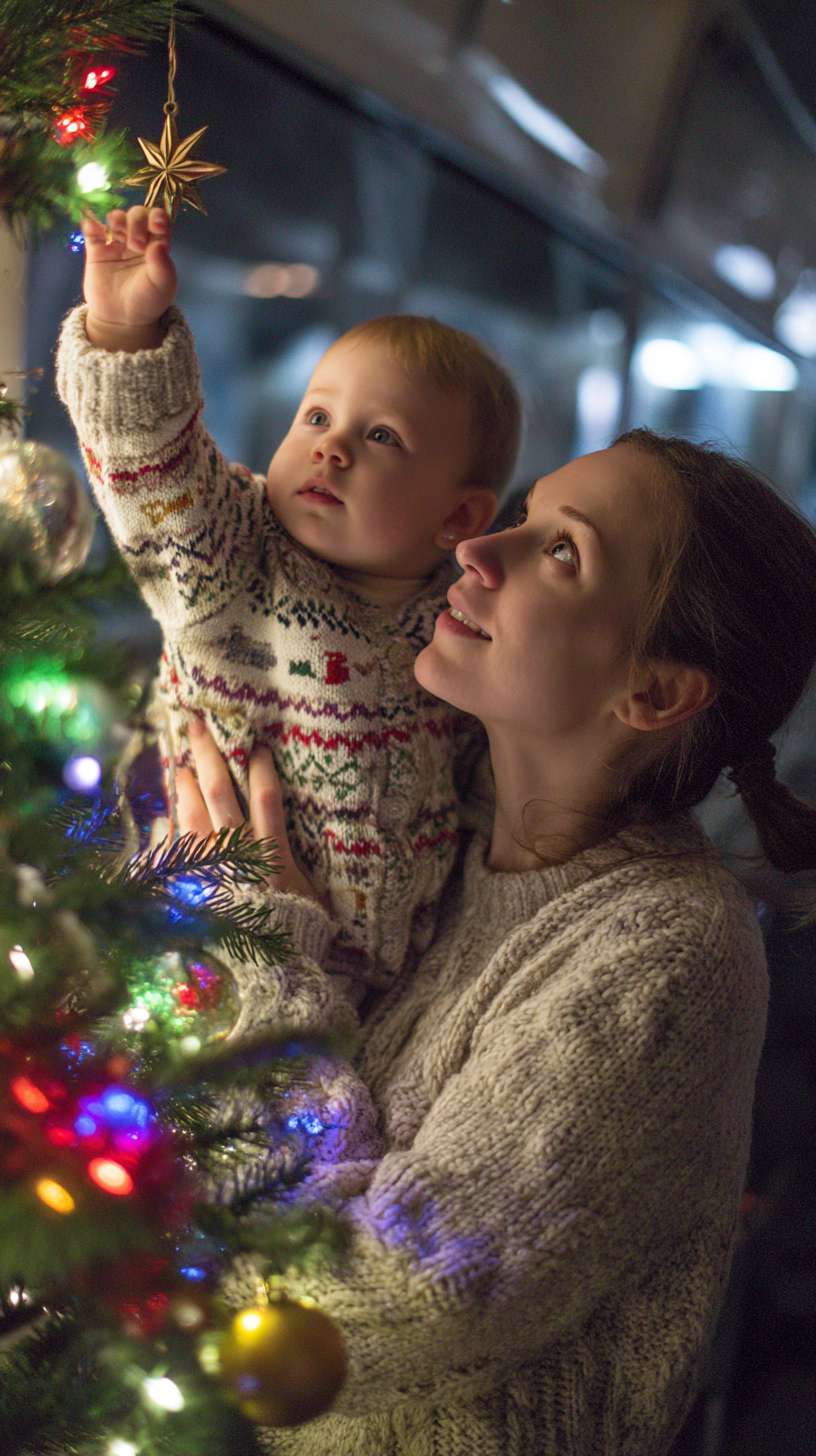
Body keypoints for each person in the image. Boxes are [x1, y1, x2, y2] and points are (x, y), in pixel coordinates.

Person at [171, 428, 816, 1454]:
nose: (482, 551)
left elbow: (343, 1311)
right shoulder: (424, 825)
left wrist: (263, 953)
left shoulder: (667, 954)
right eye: (523, 515)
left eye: (562, 551)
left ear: (652, 693)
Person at [55, 205, 519, 991]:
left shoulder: (460, 632)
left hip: (367, 1000)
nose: (330, 446)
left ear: (459, 517)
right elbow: (157, 472)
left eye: (381, 437)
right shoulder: (235, 555)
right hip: (204, 945)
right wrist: (124, 336)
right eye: (317, 415)